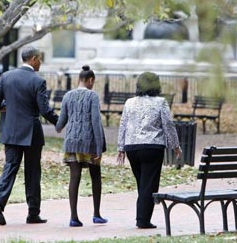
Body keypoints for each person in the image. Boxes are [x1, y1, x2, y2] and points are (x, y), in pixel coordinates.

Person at [0, 46, 58, 225]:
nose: (40, 62)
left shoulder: (6, 77)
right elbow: (45, 110)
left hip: (11, 130)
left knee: (10, 166)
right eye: (40, 59)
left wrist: (6, 106)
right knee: (33, 172)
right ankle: (33, 213)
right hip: (31, 131)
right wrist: (60, 122)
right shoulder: (37, 81)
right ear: (33, 59)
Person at [117, 71, 182, 229]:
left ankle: (142, 216)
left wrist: (121, 148)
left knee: (143, 183)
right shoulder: (160, 102)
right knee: (148, 185)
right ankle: (143, 220)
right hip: (152, 147)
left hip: (132, 147)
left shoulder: (129, 102)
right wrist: (176, 145)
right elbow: (168, 124)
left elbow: (123, 125)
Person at [55, 65, 108, 227]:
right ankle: (96, 214)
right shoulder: (92, 96)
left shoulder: (67, 96)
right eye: (93, 81)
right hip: (89, 143)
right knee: (95, 177)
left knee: (74, 178)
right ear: (90, 80)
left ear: (79, 79)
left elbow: (59, 125)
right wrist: (99, 148)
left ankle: (73, 217)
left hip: (71, 142)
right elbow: (96, 123)